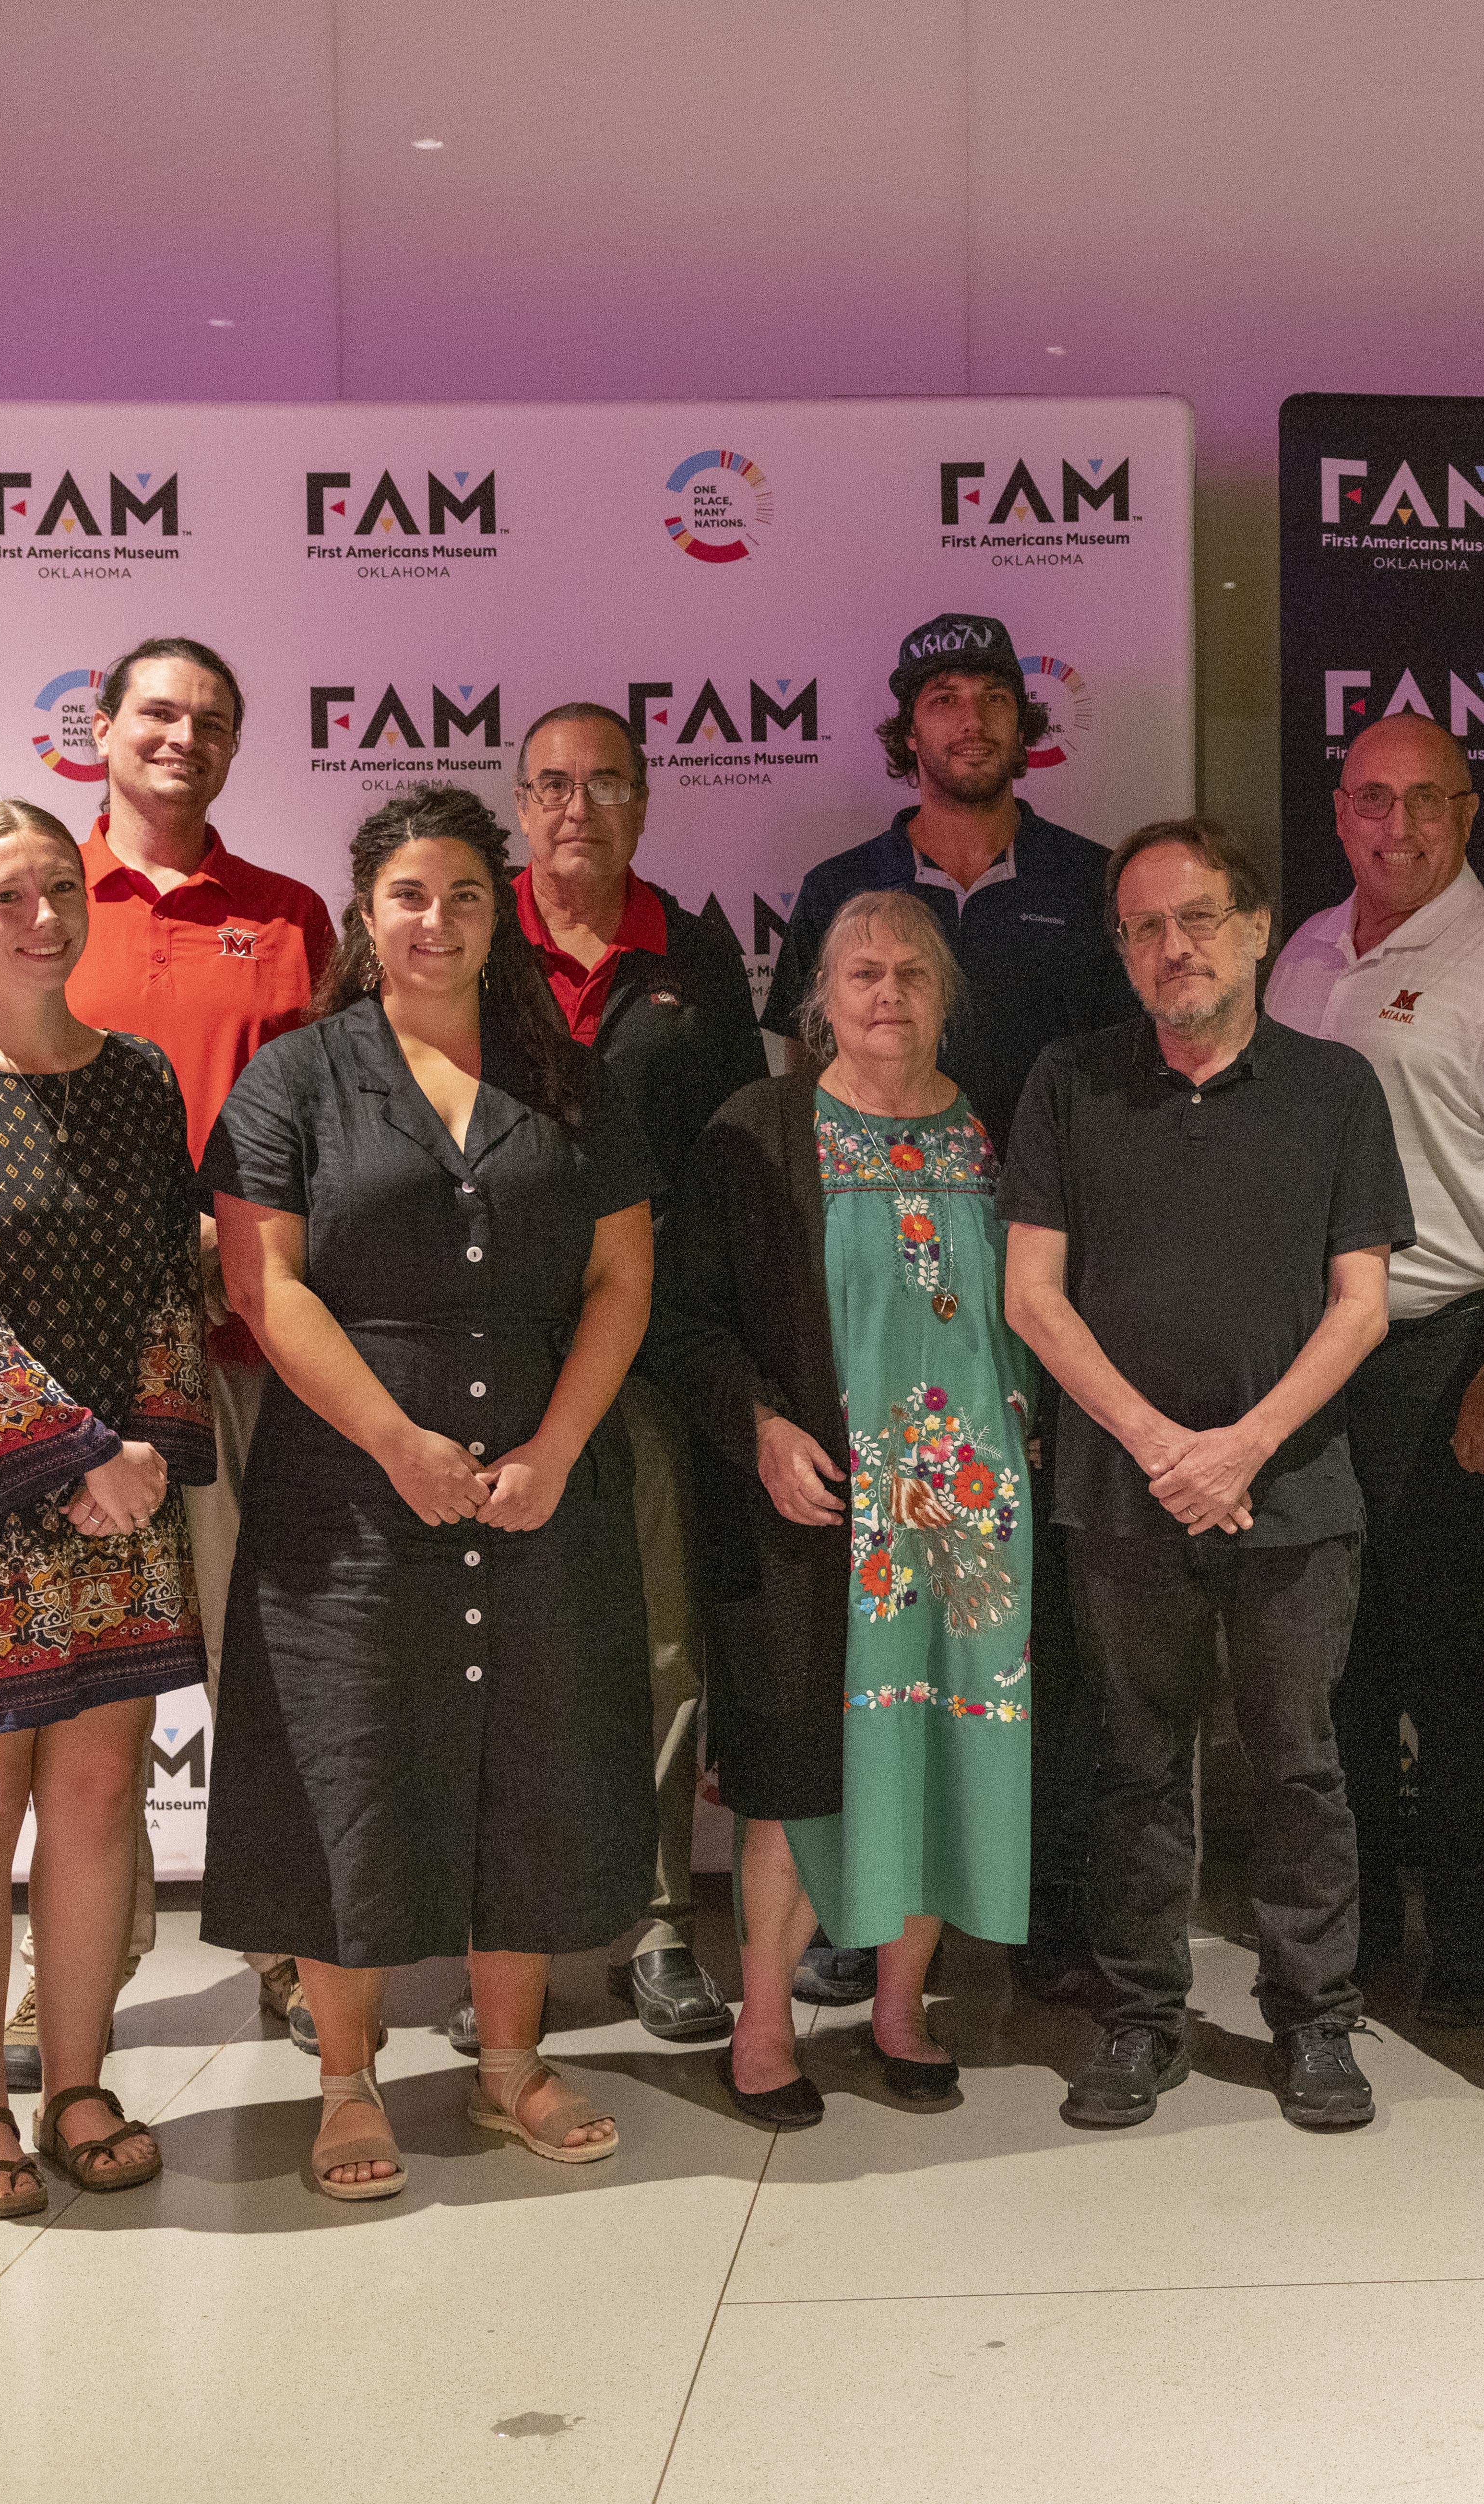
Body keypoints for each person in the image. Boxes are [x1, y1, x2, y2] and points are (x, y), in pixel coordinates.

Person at [196, 787, 657, 2199]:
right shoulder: (293, 1079)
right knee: (353, 1756)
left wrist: (559, 1451)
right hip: (347, 1485)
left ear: (496, 913)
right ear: (366, 915)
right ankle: (348, 2080)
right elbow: (263, 1280)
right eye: (410, 896)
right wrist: (398, 1443)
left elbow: (621, 1280)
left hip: (541, 1478)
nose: (438, 923)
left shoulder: (571, 1076)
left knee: (531, 1758)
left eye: (466, 895)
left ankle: (510, 2066)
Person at [0, 636, 335, 2085]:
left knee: (265, 1665)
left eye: (212, 721)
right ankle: (76, 1972)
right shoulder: (38, 896)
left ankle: (290, 1944)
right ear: (99, 728)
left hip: (239, 1351)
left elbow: (332, 1132)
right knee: (70, 1699)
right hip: (65, 1380)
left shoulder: (288, 917)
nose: (183, 738)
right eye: (158, 713)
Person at [1003, 819, 1409, 2134]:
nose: (1170, 949)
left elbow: (1360, 1309)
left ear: (1251, 930)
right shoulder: (1068, 1082)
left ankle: (1317, 2027)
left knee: (1299, 1770)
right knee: (1130, 1766)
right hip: (1122, 1497)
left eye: (1195, 921)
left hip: (1291, 1492)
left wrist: (1236, 1450)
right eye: (1142, 929)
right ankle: (1138, 2020)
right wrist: (1160, 1448)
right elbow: (1033, 1299)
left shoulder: (1335, 1088)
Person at [0, 800, 217, 2215]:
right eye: (7, 896)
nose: (41, 916)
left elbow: (165, 1290)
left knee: (96, 1792)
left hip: (122, 1501)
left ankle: (77, 2081)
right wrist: (72, 1460)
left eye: (59, 887)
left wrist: (138, 1456)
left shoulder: (137, 1081)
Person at [766, 612, 1127, 2008]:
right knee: (863, 1640)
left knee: (1030, 1632)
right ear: (907, 727)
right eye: (943, 698)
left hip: (1027, 1301)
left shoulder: (1087, 881)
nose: (968, 719)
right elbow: (794, 1092)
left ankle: (1034, 1911)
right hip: (868, 1310)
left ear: (1025, 725)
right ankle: (859, 1910)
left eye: (993, 697)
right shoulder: (839, 884)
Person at [652, 891, 1038, 2124]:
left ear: (947, 995)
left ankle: (898, 2010)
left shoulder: (997, 1134)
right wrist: (761, 1428)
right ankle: (764, 2024)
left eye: (913, 973)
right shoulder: (759, 1130)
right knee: (797, 1777)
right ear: (818, 998)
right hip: (814, 1525)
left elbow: (1038, 1308)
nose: (887, 995)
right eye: (860, 973)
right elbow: (682, 1319)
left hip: (970, 1526)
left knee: (940, 1751)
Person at [1262, 712, 1484, 2026]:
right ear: (1340, 814)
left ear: (1467, 814)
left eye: (1425, 803)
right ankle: (1355, 1925)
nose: (1398, 828)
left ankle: (1471, 1935)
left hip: (1447, 1344)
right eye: (1372, 802)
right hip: (1308, 1354)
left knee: (1450, 1667)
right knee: (1332, 1665)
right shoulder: (1298, 954)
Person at [497, 699, 761, 2049]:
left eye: (605, 784)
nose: (576, 810)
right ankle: (501, 1921)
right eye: (550, 785)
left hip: (651, 1353)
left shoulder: (696, 958)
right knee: (493, 1641)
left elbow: (729, 1164)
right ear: (519, 803)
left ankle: (660, 1922)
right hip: (493, 1356)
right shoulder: (466, 941)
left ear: (645, 803)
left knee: (661, 1640)